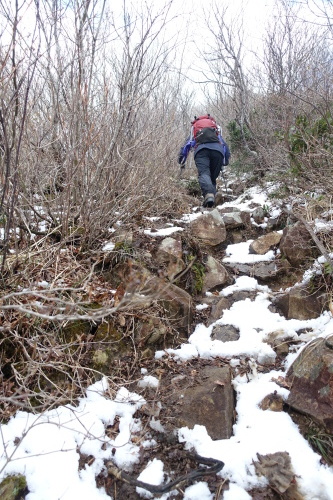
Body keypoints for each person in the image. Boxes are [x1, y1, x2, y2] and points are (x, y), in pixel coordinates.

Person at [178, 114, 230, 208]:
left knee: (204, 174)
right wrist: (225, 161)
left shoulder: (195, 130)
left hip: (201, 151)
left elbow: (187, 145)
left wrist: (182, 160)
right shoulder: (215, 131)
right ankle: (211, 200)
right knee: (212, 178)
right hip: (218, 151)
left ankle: (209, 196)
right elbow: (224, 144)